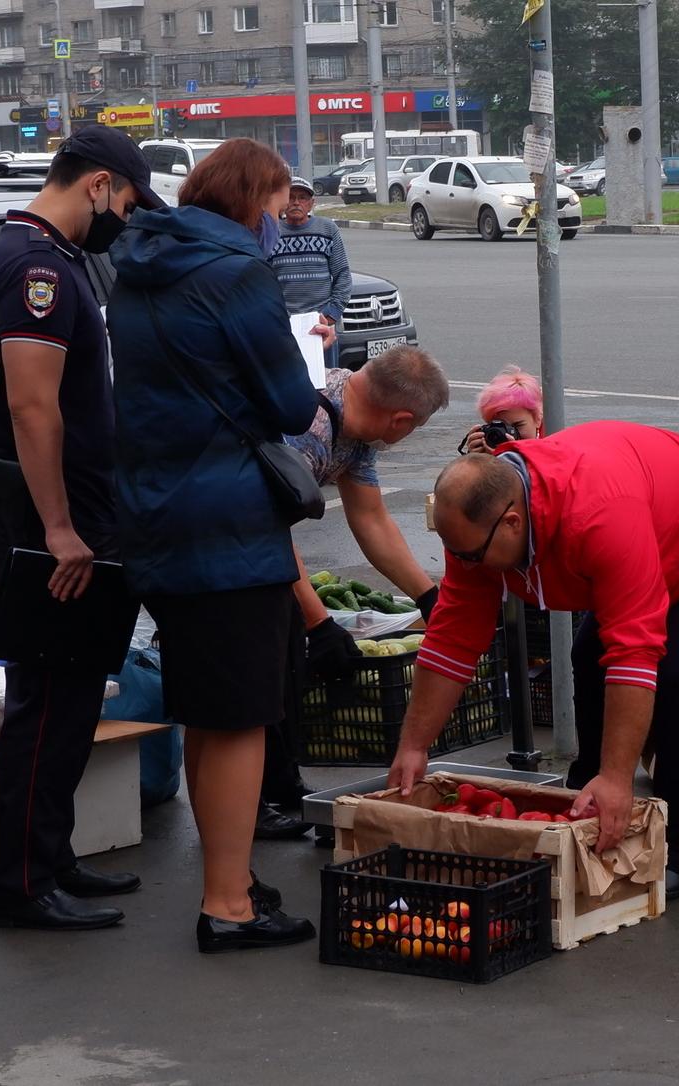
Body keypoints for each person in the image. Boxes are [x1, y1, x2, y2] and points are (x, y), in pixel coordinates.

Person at [390, 422, 679, 900]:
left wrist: (620, 778)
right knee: (590, 657)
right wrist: (414, 745)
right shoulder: (478, 528)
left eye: (472, 556)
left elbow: (634, 653)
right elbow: (453, 636)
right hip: (655, 527)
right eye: (456, 553)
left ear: (513, 522)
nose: (465, 565)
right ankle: (583, 803)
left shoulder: (598, 515)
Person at [105, 137, 325, 953]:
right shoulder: (238, 274)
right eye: (275, 207)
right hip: (229, 520)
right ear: (250, 202)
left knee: (204, 707)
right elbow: (290, 404)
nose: (279, 223)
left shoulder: (135, 269)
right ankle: (228, 902)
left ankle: (226, 878)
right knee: (239, 717)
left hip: (154, 513)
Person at [0, 125, 164, 932]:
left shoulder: (34, 252)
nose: (126, 216)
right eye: (128, 200)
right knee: (46, 705)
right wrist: (59, 528)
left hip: (67, 514)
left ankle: (50, 855)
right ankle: (19, 886)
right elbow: (30, 404)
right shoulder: (38, 267)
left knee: (72, 697)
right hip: (54, 525)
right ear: (99, 184)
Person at [256, 344, 452, 841]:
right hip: (230, 548)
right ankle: (255, 802)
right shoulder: (309, 424)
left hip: (264, 549)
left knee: (285, 666)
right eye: (414, 429)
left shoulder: (358, 423)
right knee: (266, 672)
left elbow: (370, 519)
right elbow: (268, 530)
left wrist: (429, 597)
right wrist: (318, 621)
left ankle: (280, 787)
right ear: (401, 419)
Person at [262, 177, 353, 367]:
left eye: (303, 198)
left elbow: (343, 276)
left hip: (321, 325)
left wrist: (330, 315)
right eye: (292, 197)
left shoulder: (328, 230)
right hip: (283, 326)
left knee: (325, 385)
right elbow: (262, 282)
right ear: (284, 201)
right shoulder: (270, 232)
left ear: (312, 203)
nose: (296, 202)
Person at [456, 366, 544, 455]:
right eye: (500, 427)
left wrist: (515, 457)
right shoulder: (487, 450)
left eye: (517, 426)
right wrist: (475, 459)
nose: (508, 434)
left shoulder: (550, 449)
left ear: (538, 419)